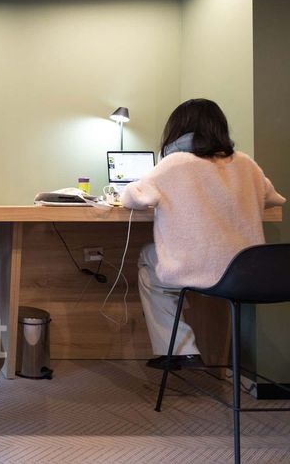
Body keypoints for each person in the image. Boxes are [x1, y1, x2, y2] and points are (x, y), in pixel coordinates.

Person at [121, 99, 285, 369]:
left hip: (199, 271)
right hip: (247, 274)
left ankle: (181, 349)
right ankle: (190, 349)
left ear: (178, 128)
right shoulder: (247, 164)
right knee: (162, 264)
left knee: (148, 262)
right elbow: (274, 198)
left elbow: (135, 198)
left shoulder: (174, 163)